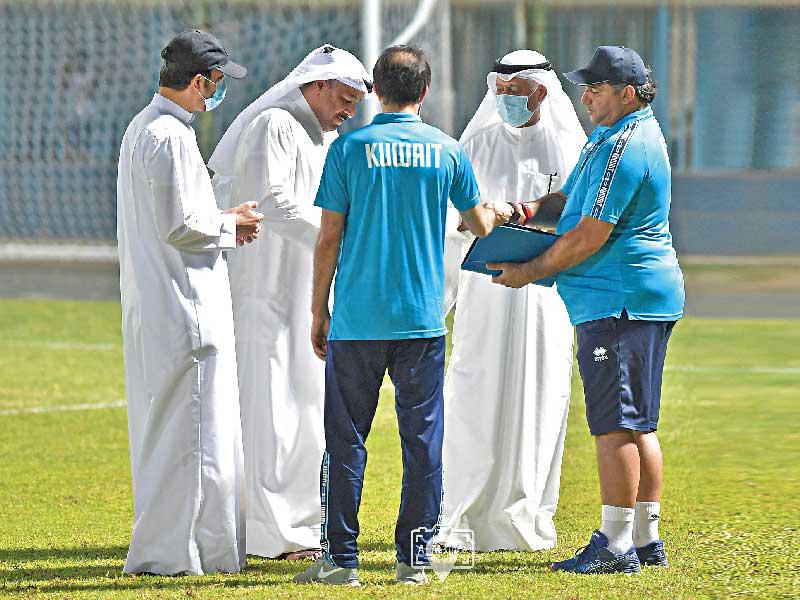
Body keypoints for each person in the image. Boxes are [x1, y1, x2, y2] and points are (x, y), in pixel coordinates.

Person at [293, 45, 512, 587]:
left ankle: (340, 560)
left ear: (375, 90)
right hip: (420, 319)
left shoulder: (348, 148)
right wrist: (499, 212)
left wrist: (318, 309)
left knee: (345, 440)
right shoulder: (447, 151)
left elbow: (328, 239)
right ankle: (413, 560)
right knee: (422, 442)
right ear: (426, 91)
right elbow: (479, 225)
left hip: (357, 320)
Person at [489, 46, 685, 574]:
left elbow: (587, 236)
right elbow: (570, 202)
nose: (586, 97)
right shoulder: (614, 135)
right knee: (639, 423)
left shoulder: (624, 145)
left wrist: (528, 270)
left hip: (618, 300)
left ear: (627, 93)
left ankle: (615, 545)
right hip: (636, 297)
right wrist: (523, 211)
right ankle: (645, 537)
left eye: (595, 88)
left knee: (614, 425)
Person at [208, 45, 371, 561]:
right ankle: (270, 533)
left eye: (355, 104)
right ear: (317, 85)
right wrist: (340, 241)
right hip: (265, 292)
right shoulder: (273, 125)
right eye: (344, 99)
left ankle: (299, 526)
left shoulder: (328, 138)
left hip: (308, 292)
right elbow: (272, 204)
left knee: (305, 411)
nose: (348, 111)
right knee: (270, 412)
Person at [117, 29, 262, 575]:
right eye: (217, 81)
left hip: (161, 302)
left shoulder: (144, 127)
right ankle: (185, 551)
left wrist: (222, 219)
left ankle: (180, 547)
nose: (219, 91)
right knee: (198, 435)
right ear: (199, 81)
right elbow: (180, 225)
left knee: (171, 432)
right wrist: (232, 225)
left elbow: (176, 215)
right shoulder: (170, 135)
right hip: (187, 306)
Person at [439, 49, 586, 552]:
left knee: (540, 395)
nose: (505, 101)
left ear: (541, 92)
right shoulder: (476, 143)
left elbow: (580, 219)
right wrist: (470, 224)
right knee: (475, 392)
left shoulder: (572, 147)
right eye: (499, 92)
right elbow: (450, 216)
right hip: (486, 292)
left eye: (515, 93)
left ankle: (525, 515)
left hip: (546, 296)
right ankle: (465, 515)